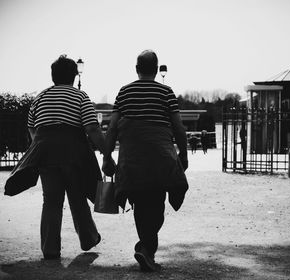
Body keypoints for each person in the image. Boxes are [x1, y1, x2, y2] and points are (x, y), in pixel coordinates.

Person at [5, 55, 106, 260]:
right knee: (77, 198)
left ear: (53, 76)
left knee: (51, 201)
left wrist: (43, 146)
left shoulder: (40, 98)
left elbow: (33, 129)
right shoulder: (80, 96)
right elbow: (92, 128)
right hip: (73, 154)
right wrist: (107, 153)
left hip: (46, 154)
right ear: (73, 75)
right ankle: (88, 238)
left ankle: (50, 249)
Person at [103, 50, 188, 272]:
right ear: (156, 68)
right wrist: (184, 155)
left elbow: (112, 128)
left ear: (137, 69)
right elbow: (178, 127)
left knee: (140, 203)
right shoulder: (166, 92)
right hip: (160, 159)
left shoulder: (124, 93)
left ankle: (145, 247)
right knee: (157, 204)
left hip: (132, 160)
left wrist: (107, 156)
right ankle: (146, 248)